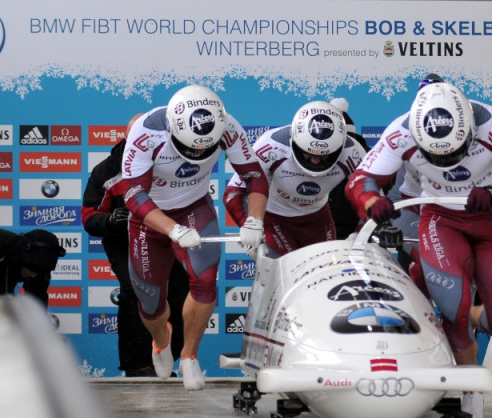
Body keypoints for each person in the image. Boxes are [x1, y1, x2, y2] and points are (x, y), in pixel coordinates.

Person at [345, 81, 492, 418]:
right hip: (440, 219)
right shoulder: (401, 132)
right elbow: (361, 178)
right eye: (438, 155)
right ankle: (469, 388)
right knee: (455, 307)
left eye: (454, 151)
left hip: (490, 218)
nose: (447, 160)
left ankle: (471, 318)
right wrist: (372, 200)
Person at [114, 84, 269, 390]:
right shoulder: (146, 132)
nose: (198, 153)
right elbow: (132, 194)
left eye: (204, 148)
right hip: (150, 218)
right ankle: (161, 341)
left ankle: (188, 357)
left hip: (194, 208)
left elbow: (254, 176)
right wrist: (172, 229)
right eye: (190, 147)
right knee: (150, 298)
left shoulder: (227, 127)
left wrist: (255, 220)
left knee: (206, 279)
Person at [82, 114, 189, 377]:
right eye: (140, 137)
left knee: (180, 293)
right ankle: (137, 364)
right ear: (128, 137)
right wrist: (110, 220)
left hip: (166, 239)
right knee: (134, 289)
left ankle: (165, 359)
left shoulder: (177, 163)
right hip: (125, 240)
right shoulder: (107, 170)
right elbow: (88, 216)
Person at [224, 100, 365, 256]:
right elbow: (234, 191)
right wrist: (250, 224)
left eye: (324, 156)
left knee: (321, 271)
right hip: (273, 219)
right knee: (279, 270)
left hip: (318, 219)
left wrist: (361, 233)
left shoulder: (353, 152)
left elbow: (371, 197)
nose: (315, 161)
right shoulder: (272, 145)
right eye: (308, 153)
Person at [0, 228, 65, 305]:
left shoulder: (41, 266)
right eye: (32, 270)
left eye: (39, 272)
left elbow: (38, 303)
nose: (34, 275)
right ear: (23, 259)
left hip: (4, 284)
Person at [327, 97, 371, 239]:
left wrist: (362, 231)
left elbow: (377, 198)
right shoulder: (315, 157)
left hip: (357, 232)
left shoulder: (372, 159)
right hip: (320, 229)